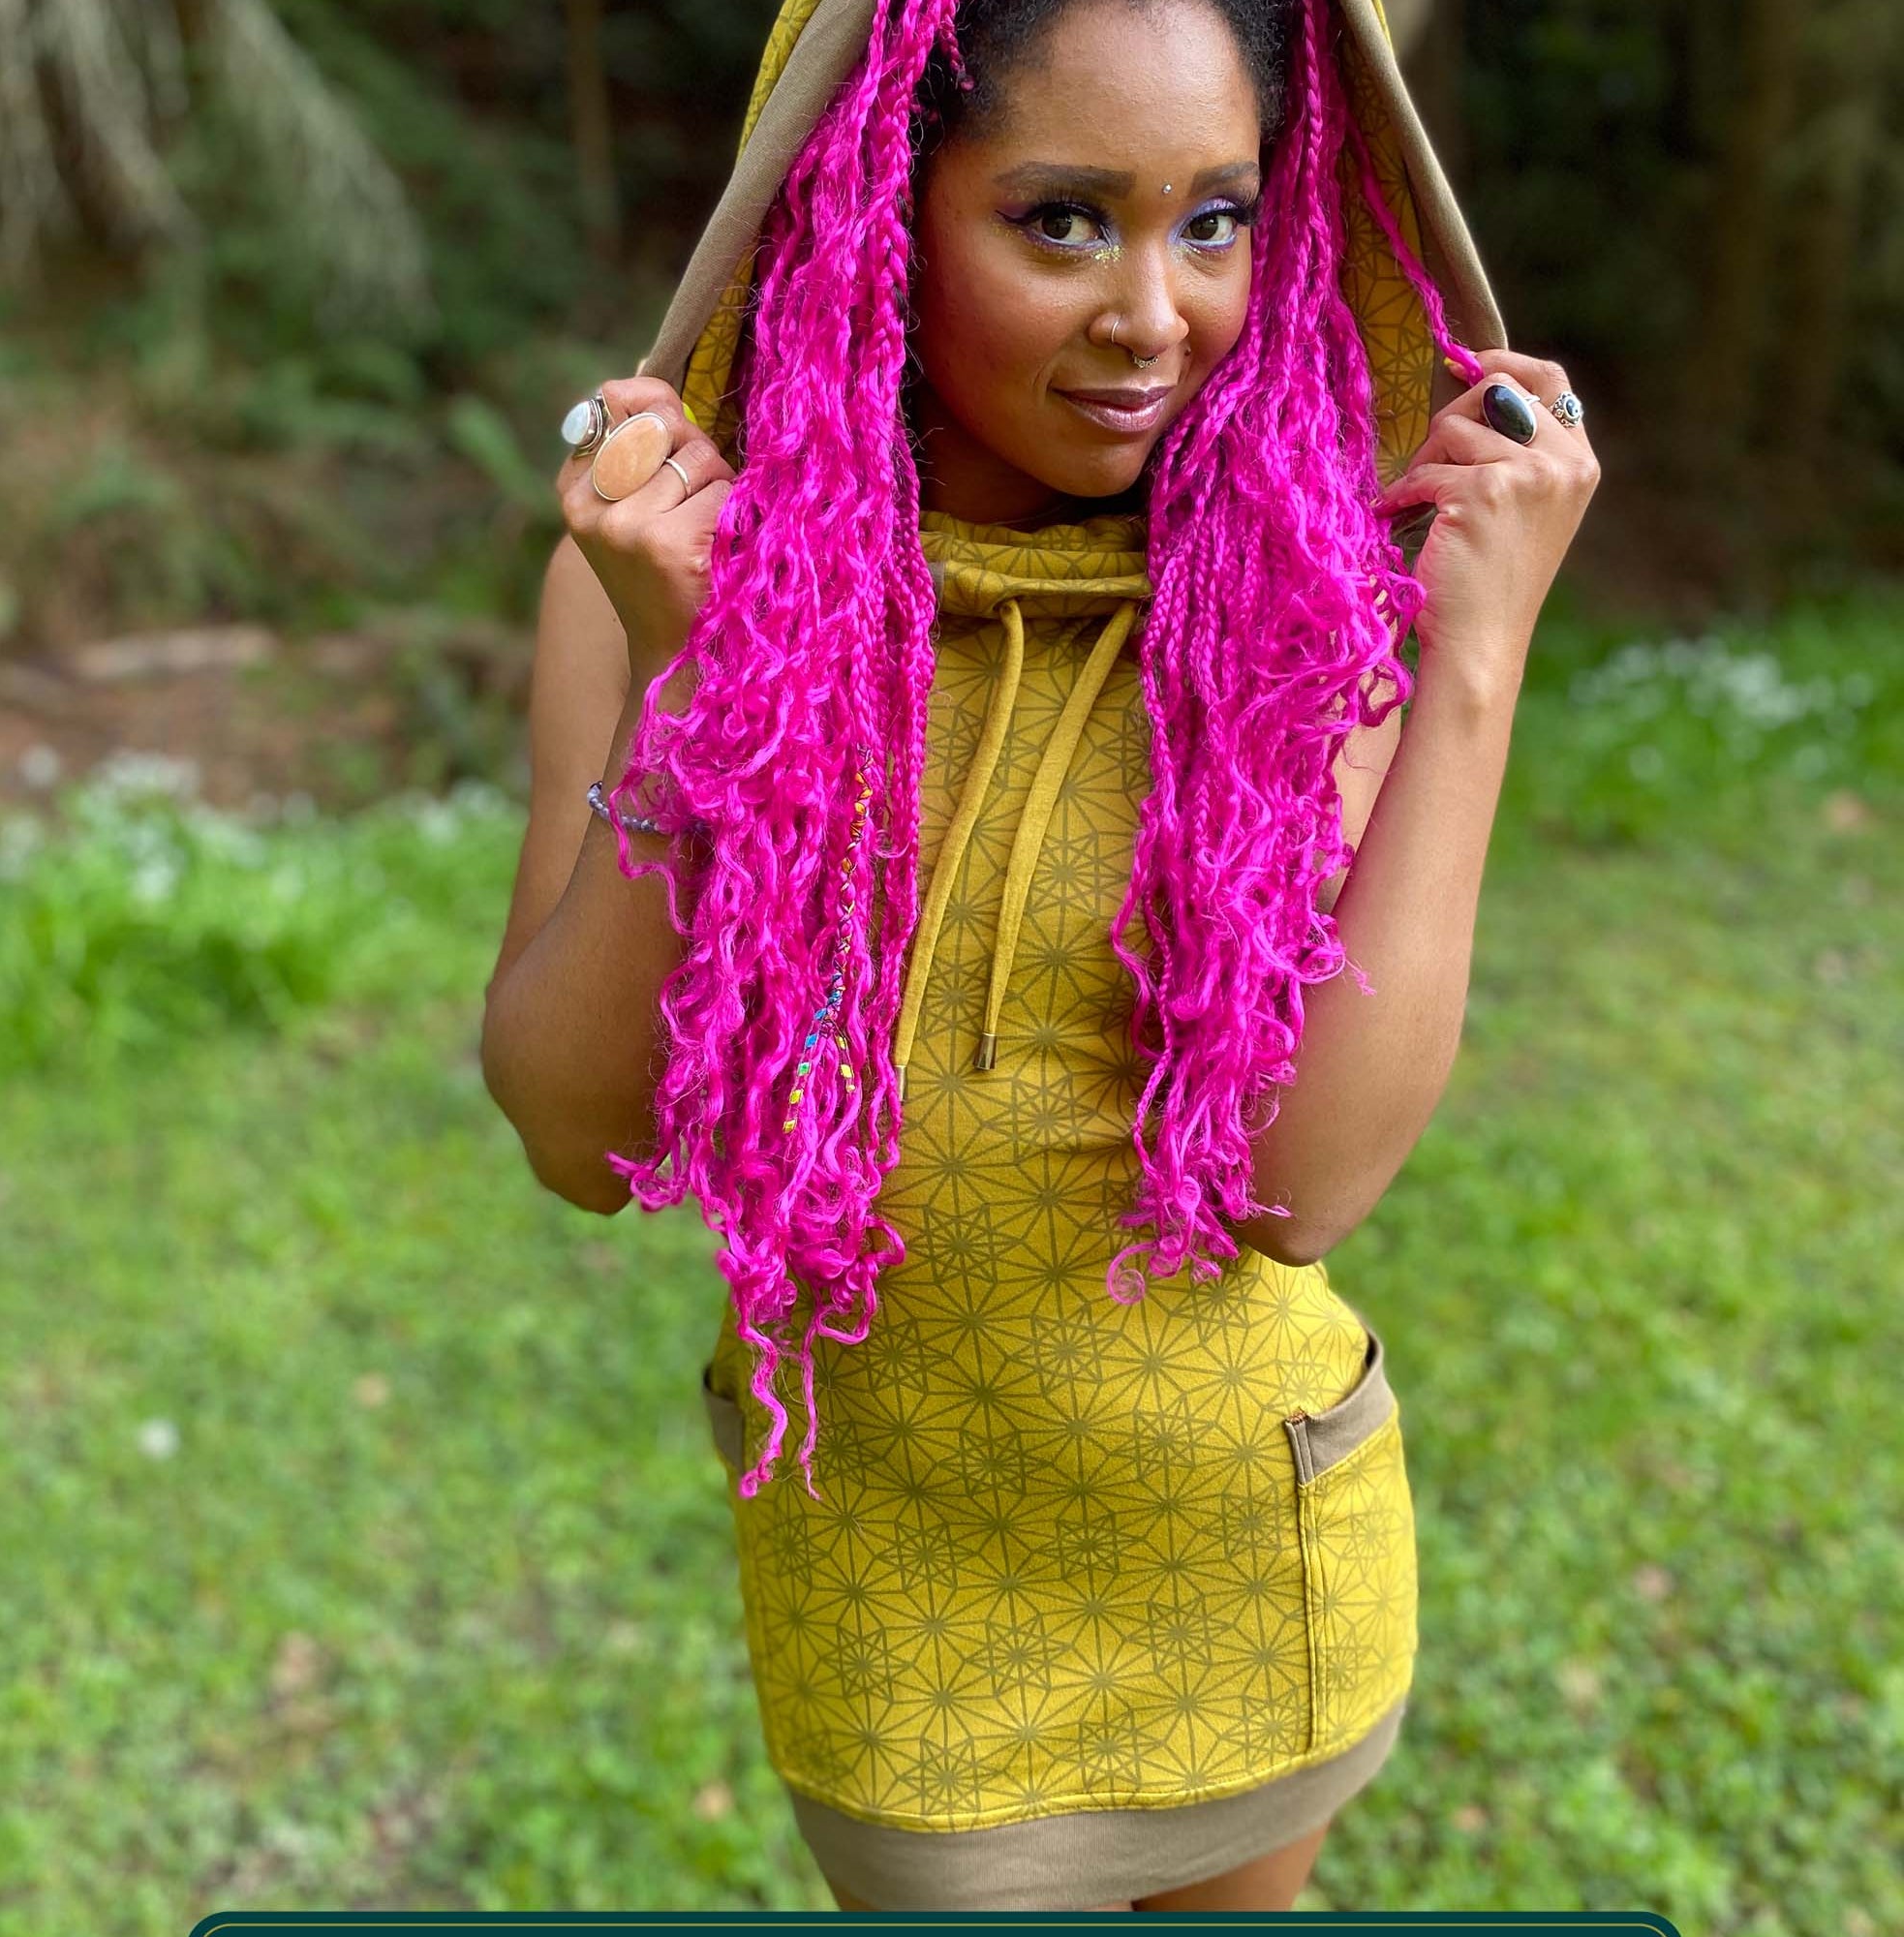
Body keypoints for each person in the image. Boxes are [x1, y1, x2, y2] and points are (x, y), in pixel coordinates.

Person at [481, 0, 1598, 1912]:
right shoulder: (671, 570)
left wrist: (1474, 667)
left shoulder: (1306, 597)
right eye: (1064, 219)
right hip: (904, 1631)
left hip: (1265, 1573)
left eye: (1215, 219)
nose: (1155, 315)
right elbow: (578, 1138)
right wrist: (700, 684)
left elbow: (1302, 1186)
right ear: (880, 213)